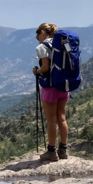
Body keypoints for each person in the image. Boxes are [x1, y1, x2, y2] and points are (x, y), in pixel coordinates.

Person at [33, 22, 69, 162]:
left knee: (51, 121)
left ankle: (51, 152)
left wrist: (37, 71)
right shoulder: (62, 44)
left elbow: (46, 68)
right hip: (63, 85)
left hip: (50, 87)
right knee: (62, 118)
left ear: (43, 32)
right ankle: (63, 150)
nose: (37, 38)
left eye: (38, 35)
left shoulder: (42, 47)